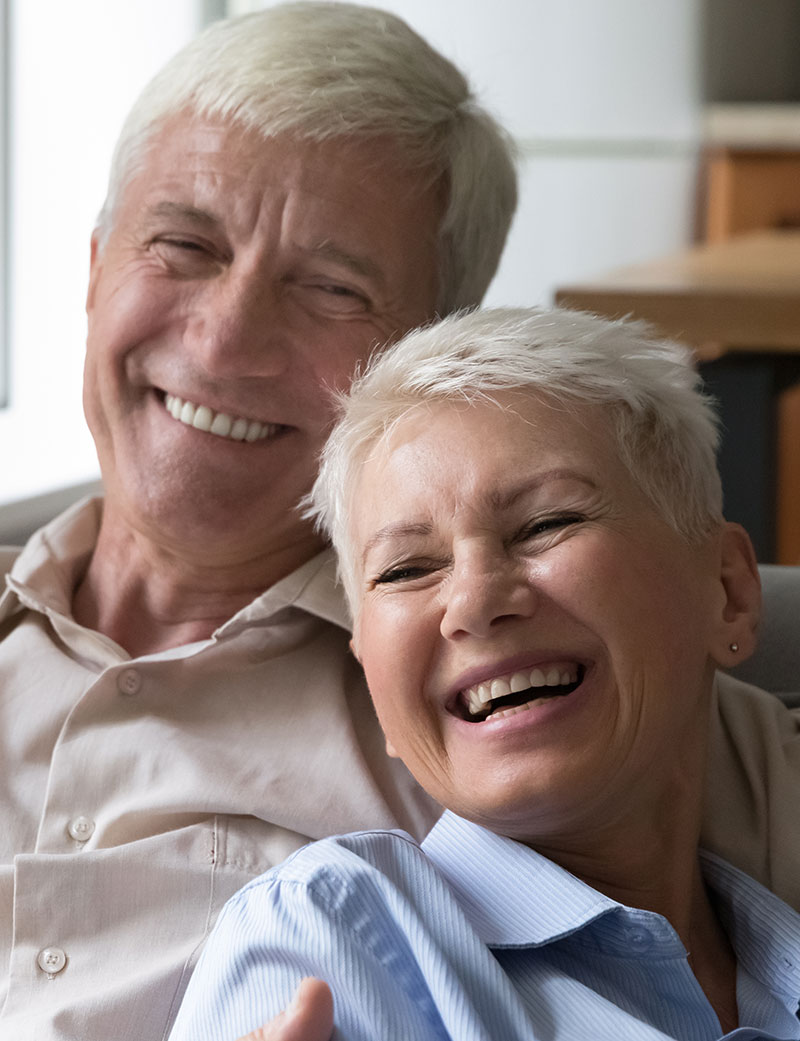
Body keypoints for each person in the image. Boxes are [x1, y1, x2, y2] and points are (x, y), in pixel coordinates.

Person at [0, 5, 516, 1038]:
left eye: (329, 288)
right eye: (183, 244)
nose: (227, 339)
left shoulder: (497, 700)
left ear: (426, 357)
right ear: (96, 265)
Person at [170, 307, 800, 1041]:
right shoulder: (329, 934)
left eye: (545, 523)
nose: (471, 602)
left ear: (726, 591)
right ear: (375, 681)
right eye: (407, 569)